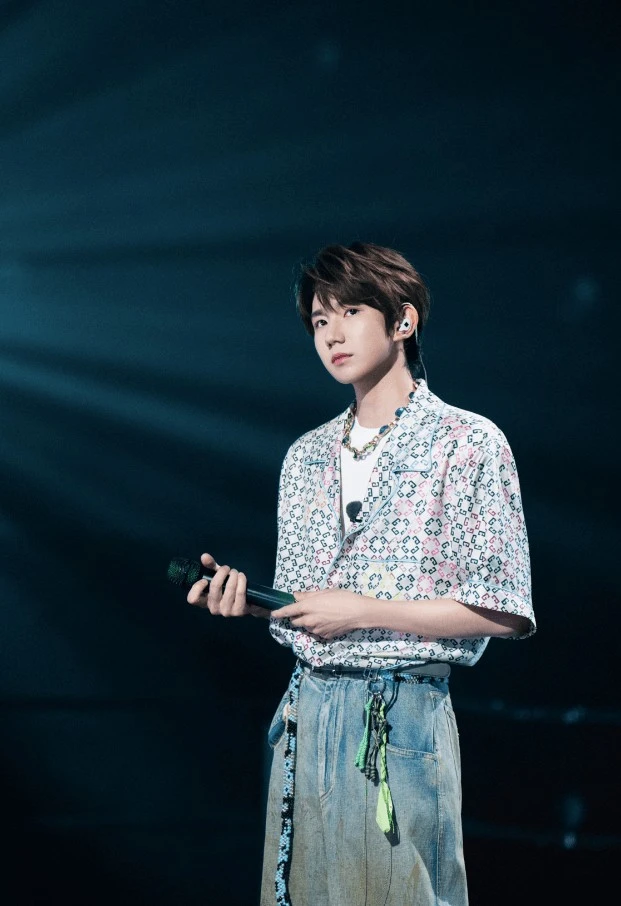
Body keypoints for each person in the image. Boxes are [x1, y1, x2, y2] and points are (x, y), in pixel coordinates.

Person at [187, 241, 536, 906]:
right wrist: (257, 602)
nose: (332, 334)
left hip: (397, 716)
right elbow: (311, 605)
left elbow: (504, 608)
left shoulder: (467, 442)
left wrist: (363, 610)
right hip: (305, 713)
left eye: (350, 311)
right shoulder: (306, 457)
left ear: (402, 321)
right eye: (319, 320)